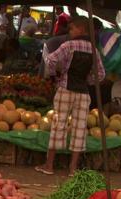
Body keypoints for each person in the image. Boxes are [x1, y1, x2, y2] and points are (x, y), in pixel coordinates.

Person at [36, 16, 105, 176]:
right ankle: (73, 169)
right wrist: (88, 80)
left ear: (81, 29)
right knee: (79, 128)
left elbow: (50, 60)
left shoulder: (69, 45)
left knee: (58, 124)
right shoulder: (94, 50)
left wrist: (56, 75)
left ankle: (49, 165)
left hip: (65, 90)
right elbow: (100, 74)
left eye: (72, 28)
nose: (71, 32)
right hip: (83, 93)